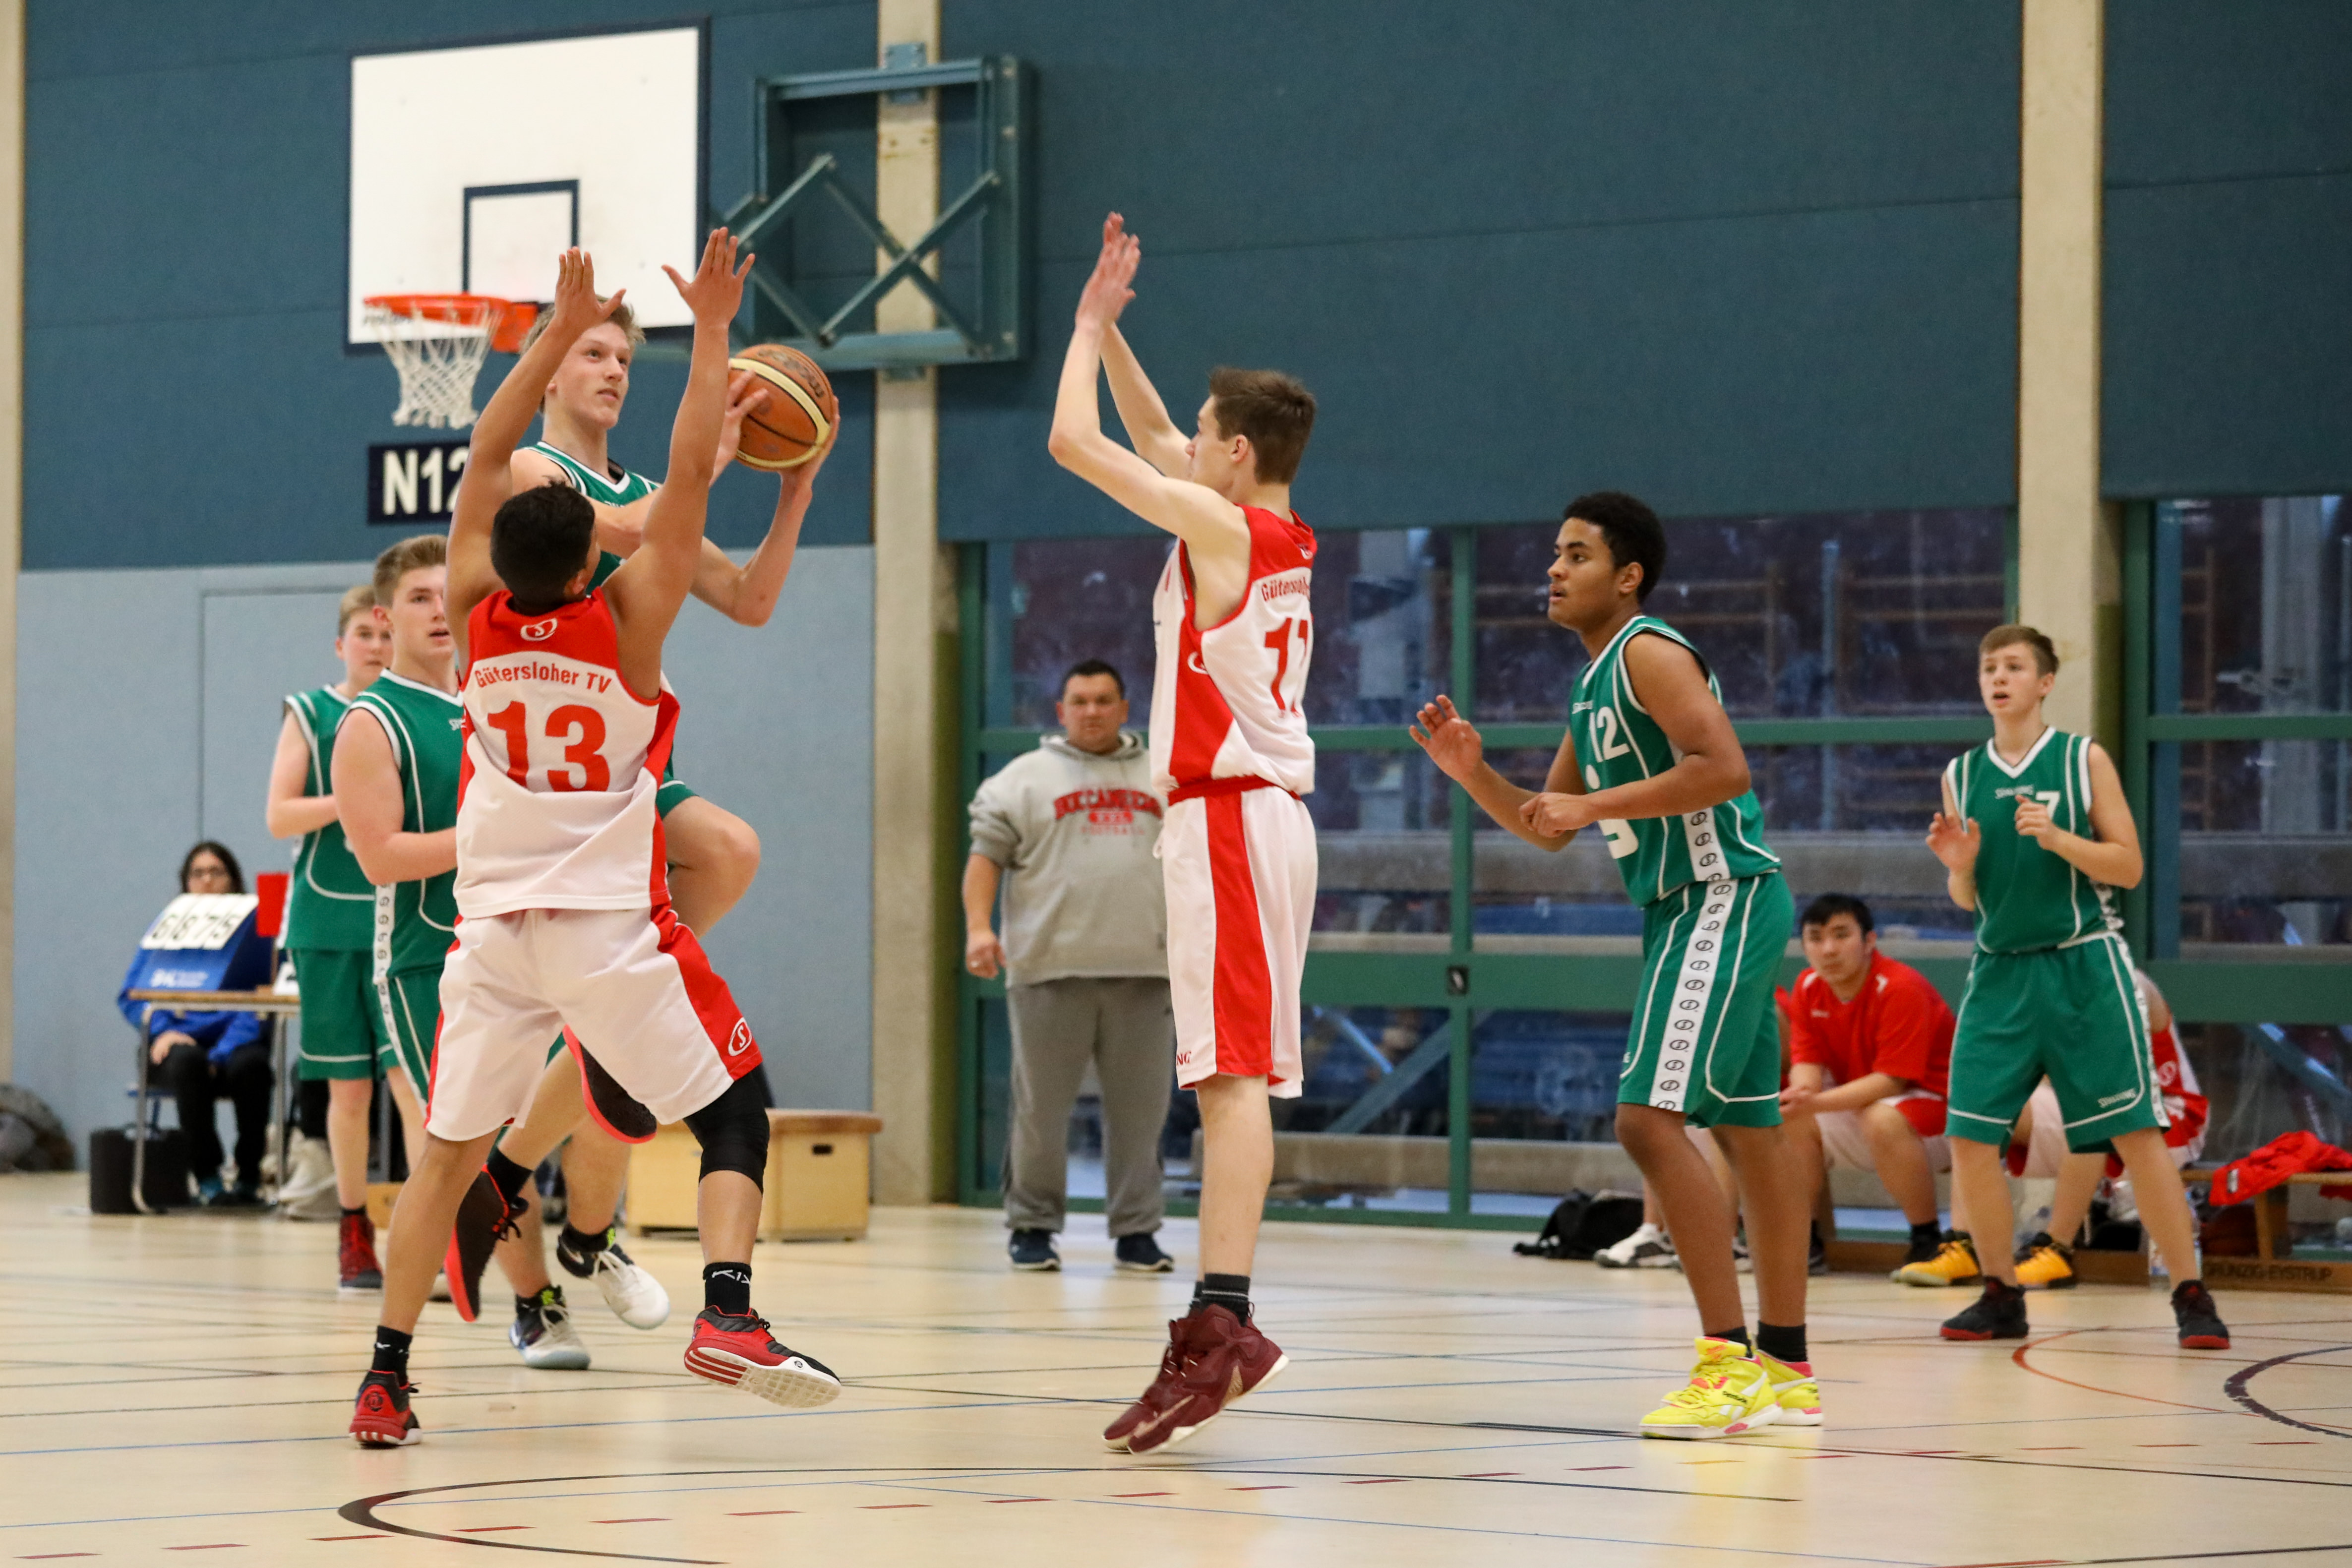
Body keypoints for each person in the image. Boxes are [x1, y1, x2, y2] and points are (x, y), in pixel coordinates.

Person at [351, 236, 840, 1448]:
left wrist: (552, 337)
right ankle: (728, 1311)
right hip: (601, 925)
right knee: (736, 1113)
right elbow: (663, 501)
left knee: (439, 1163)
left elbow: (480, 456)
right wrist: (713, 340)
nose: (611, 367)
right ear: (589, 559)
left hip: (492, 934)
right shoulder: (626, 621)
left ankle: (385, 1376)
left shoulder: (473, 615)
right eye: (597, 353)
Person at [1414, 490, 1817, 1441]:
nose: (1554, 569)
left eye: (1576, 554)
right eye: (1554, 553)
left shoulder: (1648, 651)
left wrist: (1596, 807)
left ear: (1626, 576)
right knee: (1751, 1134)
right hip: (1684, 907)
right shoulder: (1594, 682)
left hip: (1720, 894)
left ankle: (1725, 1365)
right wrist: (1472, 773)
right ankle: (1786, 1369)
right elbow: (1546, 826)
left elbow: (1723, 768)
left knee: (1644, 1120)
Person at [1048, 214, 1317, 1454]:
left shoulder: (1224, 532)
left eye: (1207, 437)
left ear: (1238, 453)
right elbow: (1155, 435)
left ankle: (1224, 1321)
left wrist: (1081, 329)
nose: (1186, 446)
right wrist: (1118, 332)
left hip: (1228, 820)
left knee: (1229, 1076)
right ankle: (1222, 1315)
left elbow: (1075, 444)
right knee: (1230, 1074)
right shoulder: (1268, 527)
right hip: (1253, 819)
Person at [1925, 624, 2229, 1348]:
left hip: (2083, 966)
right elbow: (1967, 900)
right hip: (1999, 972)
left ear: (2044, 682)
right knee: (1969, 1136)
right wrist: (1959, 866)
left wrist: (2059, 837)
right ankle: (2000, 1292)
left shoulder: (2081, 758)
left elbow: (2129, 866)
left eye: (2013, 666)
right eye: (1988, 667)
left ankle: (2190, 1292)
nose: (1998, 678)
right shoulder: (1960, 774)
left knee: (2136, 1133)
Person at [964, 658, 1176, 1275]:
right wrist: (979, 929)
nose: (1092, 712)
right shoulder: (1021, 781)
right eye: (1079, 702)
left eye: (1104, 701)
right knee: (1040, 1112)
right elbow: (984, 860)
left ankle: (1137, 1232)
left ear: (1124, 708)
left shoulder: (1165, 775)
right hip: (1048, 971)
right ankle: (1033, 1227)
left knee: (1142, 1115)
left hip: (1147, 972)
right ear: (1061, 711)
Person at [265, 584, 392, 1287]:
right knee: (350, 1090)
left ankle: (432, 1230)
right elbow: (280, 816)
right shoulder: (311, 713)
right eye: (364, 635)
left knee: (417, 1084)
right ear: (342, 645)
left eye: (386, 634)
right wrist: (352, 798)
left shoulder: (425, 708)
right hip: (329, 918)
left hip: (407, 915)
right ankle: (353, 1225)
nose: (377, 646)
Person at [1774, 893, 1962, 1283]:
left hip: (1942, 1114)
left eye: (1841, 935)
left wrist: (1814, 1103)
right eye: (1815, 938)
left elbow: (1891, 1081)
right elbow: (1806, 1060)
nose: (1828, 949)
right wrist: (1800, 1095)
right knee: (1792, 1118)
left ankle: (1926, 1238)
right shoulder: (1808, 985)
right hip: (1867, 1108)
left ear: (1869, 941)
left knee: (1881, 1118)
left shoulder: (1900, 986)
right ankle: (1802, 1241)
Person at [2010, 968, 2207, 1288]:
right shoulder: (2046, 983)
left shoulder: (2127, 982)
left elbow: (2100, 1077)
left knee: (2091, 1112)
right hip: (2098, 1099)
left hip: (2168, 1112)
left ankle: (2057, 1248)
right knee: (1987, 1111)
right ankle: (1973, 1242)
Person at [119, 842, 273, 1206]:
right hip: (176, 1042)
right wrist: (164, 1031)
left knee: (252, 1067)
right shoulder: (167, 928)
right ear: (185, 882)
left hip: (234, 1042)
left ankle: (249, 1174)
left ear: (233, 880)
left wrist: (219, 1055)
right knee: (187, 1063)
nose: (206, 881)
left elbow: (262, 1002)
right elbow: (132, 995)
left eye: (216, 872)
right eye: (197, 873)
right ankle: (207, 1176)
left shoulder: (255, 931)